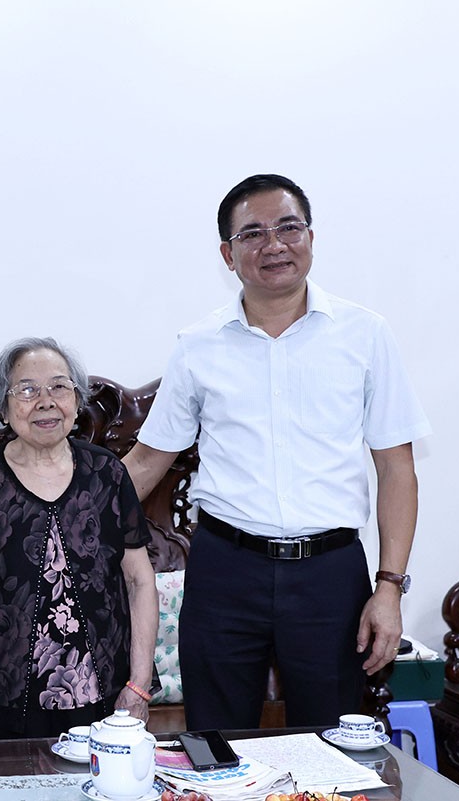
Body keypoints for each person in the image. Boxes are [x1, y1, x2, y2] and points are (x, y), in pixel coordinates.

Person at [123, 174, 431, 730]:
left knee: (335, 743)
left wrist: (389, 588)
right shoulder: (198, 345)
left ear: (311, 237)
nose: (274, 245)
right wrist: (64, 513)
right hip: (225, 571)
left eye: (289, 228)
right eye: (253, 233)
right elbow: (148, 461)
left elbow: (396, 468)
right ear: (228, 253)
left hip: (330, 575)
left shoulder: (365, 335)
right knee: (216, 743)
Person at [0, 337, 158, 739]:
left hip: (106, 693)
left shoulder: (106, 474)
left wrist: (139, 684)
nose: (45, 402)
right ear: (3, 407)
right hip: (3, 692)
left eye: (59, 387)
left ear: (77, 400)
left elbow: (139, 580)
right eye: (27, 390)